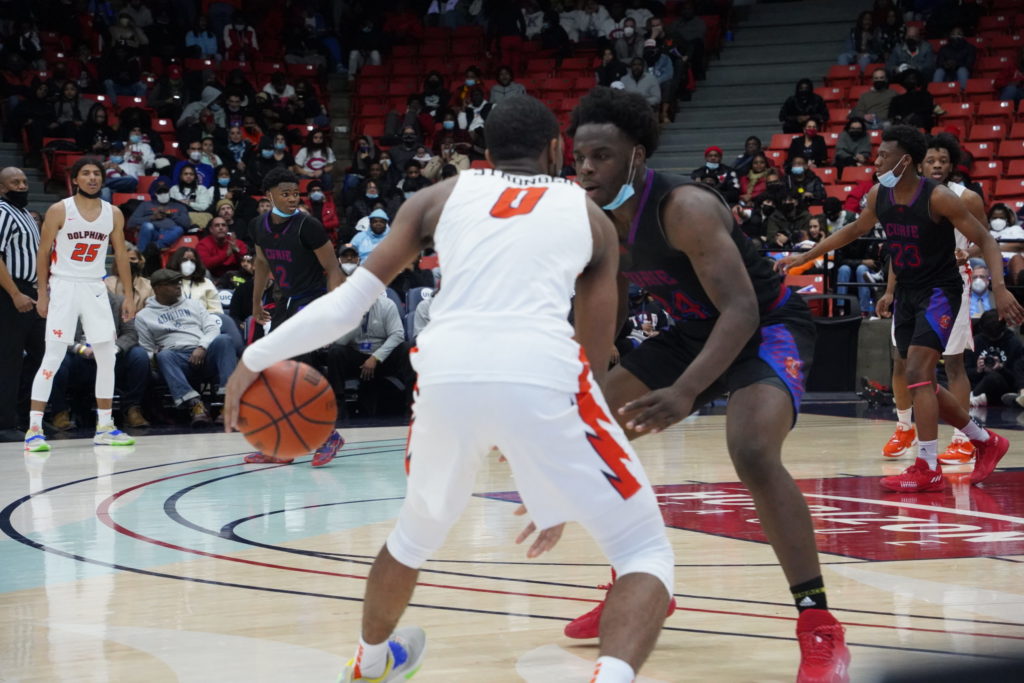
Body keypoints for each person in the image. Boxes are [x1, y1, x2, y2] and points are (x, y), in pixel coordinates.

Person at [224, 94, 674, 683]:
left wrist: (254, 356)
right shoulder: (590, 218)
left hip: (444, 372)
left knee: (414, 535)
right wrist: (556, 484)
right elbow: (588, 359)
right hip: (540, 366)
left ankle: (372, 661)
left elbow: (352, 303)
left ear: (484, 155)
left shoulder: (437, 198)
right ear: (558, 150)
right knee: (643, 550)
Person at [568, 87, 848, 682]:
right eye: (580, 157)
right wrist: (583, 380)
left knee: (751, 451)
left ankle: (820, 626)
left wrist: (687, 392)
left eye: (602, 156)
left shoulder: (684, 207)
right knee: (589, 436)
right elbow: (611, 298)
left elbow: (742, 310)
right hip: (694, 330)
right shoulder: (594, 217)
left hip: (764, 326)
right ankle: (642, 583)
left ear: (637, 156)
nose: (588, 168)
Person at [778, 125, 1023, 493]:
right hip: (907, 291)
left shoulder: (939, 198)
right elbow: (854, 230)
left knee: (921, 372)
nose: (876, 160)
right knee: (915, 377)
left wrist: (1000, 288)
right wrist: (806, 256)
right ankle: (985, 439)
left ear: (905, 160)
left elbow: (986, 238)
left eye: (883, 154)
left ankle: (928, 465)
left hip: (940, 291)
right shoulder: (881, 194)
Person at [877, 132, 988, 465]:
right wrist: (890, 289)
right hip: (911, 285)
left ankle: (962, 438)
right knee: (901, 360)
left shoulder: (963, 197)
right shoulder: (903, 195)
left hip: (949, 284)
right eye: (931, 160)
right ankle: (904, 426)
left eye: (943, 160)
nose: (937, 165)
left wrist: (967, 253)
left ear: (951, 164)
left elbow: (985, 239)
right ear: (918, 162)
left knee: (952, 362)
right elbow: (900, 249)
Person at [25, 157, 137, 452]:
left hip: (95, 286)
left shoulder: (112, 213)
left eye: (96, 174)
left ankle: (104, 426)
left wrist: (128, 295)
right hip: (63, 285)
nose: (92, 178)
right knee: (53, 356)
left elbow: (121, 255)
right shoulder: (60, 209)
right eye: (85, 173)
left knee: (107, 356)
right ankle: (34, 429)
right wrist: (43, 293)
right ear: (75, 179)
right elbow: (43, 252)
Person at [245, 167, 345, 466]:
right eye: (285, 194)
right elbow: (262, 264)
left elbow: (334, 268)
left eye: (295, 194)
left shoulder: (308, 226)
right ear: (269, 196)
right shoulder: (257, 226)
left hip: (310, 302)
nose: (292, 199)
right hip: (284, 304)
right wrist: (255, 303)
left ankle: (328, 436)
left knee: (298, 371)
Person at [135, 268, 238, 426]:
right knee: (164, 356)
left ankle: (228, 405)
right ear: (157, 288)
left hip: (204, 353)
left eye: (178, 282)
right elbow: (147, 348)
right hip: (176, 360)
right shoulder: (144, 316)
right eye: (172, 284)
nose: (178, 286)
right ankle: (196, 406)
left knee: (225, 340)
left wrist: (202, 347)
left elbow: (212, 328)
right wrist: (155, 358)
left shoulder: (194, 304)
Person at [49, 290, 150, 429]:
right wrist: (82, 349)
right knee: (56, 359)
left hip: (112, 356)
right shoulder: (68, 303)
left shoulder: (120, 302)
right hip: (80, 356)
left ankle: (132, 409)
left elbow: (130, 334)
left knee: (139, 356)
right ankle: (59, 413)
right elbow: (58, 334)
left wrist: (113, 350)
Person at [0, 167, 45, 442]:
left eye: (25, 181)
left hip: (31, 290)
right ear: (2, 188)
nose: (22, 186)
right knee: (9, 360)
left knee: (44, 354)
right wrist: (16, 293)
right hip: (9, 292)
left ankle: (27, 417)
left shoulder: (27, 215)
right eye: (15, 182)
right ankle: (5, 423)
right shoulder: (3, 212)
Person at [128, 179, 191, 253]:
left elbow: (186, 224)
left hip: (169, 235)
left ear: (169, 192)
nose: (163, 194)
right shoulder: (145, 205)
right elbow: (130, 223)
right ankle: (142, 254)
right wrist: (152, 218)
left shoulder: (179, 206)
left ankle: (156, 246)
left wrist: (170, 214)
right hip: (153, 233)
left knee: (179, 229)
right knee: (147, 226)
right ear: (155, 193)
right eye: (160, 192)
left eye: (165, 191)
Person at [106, 242, 153, 311]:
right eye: (124, 259)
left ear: (140, 262)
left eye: (133, 259)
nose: (128, 262)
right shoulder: (108, 283)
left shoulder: (148, 285)